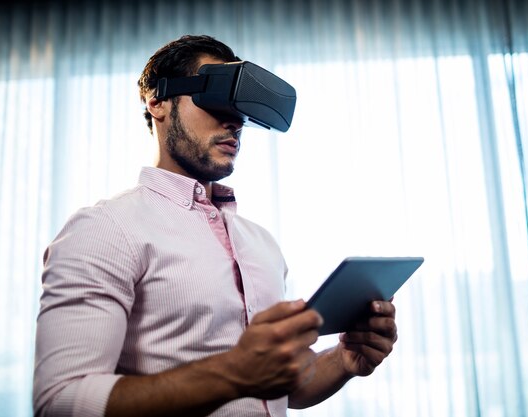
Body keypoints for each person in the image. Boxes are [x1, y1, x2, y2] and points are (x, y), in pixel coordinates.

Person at [33, 34, 398, 417]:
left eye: (240, 106)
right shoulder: (105, 230)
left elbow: (281, 388)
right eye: (216, 97)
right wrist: (233, 372)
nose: (235, 120)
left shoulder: (261, 244)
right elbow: (61, 401)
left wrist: (344, 359)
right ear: (157, 101)